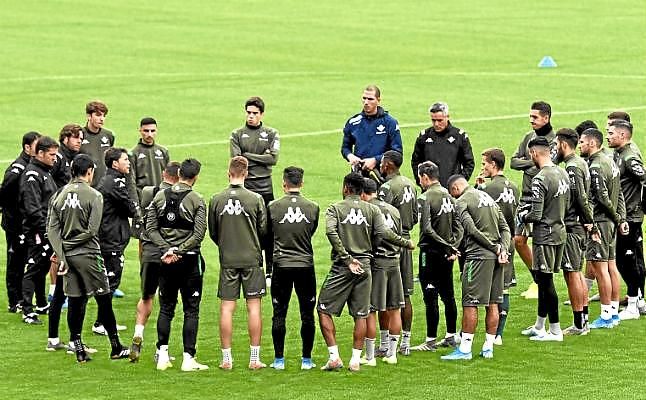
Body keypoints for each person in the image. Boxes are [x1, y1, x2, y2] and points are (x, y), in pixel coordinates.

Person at [317, 173, 414, 372]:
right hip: (366, 266)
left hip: (343, 266)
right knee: (361, 314)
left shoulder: (335, 208)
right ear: (362, 191)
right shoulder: (372, 209)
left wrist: (347, 258)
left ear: (346, 188)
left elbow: (330, 231)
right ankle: (355, 360)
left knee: (323, 309)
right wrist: (406, 243)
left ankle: (334, 357)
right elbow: (383, 233)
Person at [46, 154, 129, 362]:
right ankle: (116, 347)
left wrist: (62, 252)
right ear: (90, 171)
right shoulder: (94, 195)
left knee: (75, 300)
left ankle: (79, 349)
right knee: (104, 299)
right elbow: (92, 231)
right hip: (89, 255)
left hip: (68, 258)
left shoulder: (58, 195)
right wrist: (70, 244)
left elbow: (52, 230)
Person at [146, 158, 208, 372]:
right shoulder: (197, 200)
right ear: (195, 177)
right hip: (189, 261)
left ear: (179, 173)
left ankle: (162, 355)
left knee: (166, 308)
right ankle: (188, 358)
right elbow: (199, 234)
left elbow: (150, 228)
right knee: (191, 310)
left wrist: (167, 249)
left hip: (165, 261)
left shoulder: (159, 196)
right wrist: (179, 250)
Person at [208, 156, 268, 370]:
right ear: (246, 174)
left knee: (226, 308)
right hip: (251, 258)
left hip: (228, 259)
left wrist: (226, 245)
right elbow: (263, 230)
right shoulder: (256, 199)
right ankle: (254, 359)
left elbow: (213, 232)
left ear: (228, 173)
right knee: (254, 307)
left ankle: (226, 359)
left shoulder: (216, 199)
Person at [442, 175, 510, 360]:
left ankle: (465, 349)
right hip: (497, 258)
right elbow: (505, 228)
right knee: (493, 303)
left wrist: (494, 248)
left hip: (478, 257)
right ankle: (488, 348)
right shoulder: (488, 198)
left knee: (470, 302)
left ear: (455, 189)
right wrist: (502, 249)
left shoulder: (462, 201)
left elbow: (471, 229)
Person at [267, 166, 320, 370]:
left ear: (284, 184)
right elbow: (310, 230)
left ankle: (279, 360)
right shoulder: (313, 207)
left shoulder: (273, 207)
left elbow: (268, 233)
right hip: (305, 265)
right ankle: (306, 360)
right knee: (307, 314)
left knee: (279, 312)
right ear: (302, 183)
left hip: (281, 265)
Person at [518, 137, 570, 342]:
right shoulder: (562, 173)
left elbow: (537, 214)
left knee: (546, 281)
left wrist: (523, 216)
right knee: (542, 278)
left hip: (545, 236)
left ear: (533, 153)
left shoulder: (540, 178)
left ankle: (555, 330)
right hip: (559, 231)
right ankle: (540, 325)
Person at [128, 161, 180, 363]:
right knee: (166, 304)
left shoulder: (148, 192)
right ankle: (161, 350)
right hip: (167, 254)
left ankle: (138, 333)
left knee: (146, 296)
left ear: (163, 174)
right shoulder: (180, 197)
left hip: (148, 253)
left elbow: (142, 229)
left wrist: (143, 258)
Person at [411, 162, 462, 352]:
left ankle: (430, 340)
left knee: (430, 296)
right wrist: (453, 246)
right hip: (447, 255)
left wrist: (446, 246)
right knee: (448, 295)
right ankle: (450, 336)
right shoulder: (450, 196)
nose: (419, 181)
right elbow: (459, 226)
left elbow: (427, 229)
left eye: (420, 178)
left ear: (425, 177)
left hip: (430, 254)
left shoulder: (425, 197)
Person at [579, 128, 626, 329]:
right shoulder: (610, 161)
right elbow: (619, 192)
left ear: (592, 143)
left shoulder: (596, 166)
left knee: (601, 268)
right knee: (611, 266)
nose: (580, 145)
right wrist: (621, 218)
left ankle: (606, 316)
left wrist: (616, 217)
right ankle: (613, 312)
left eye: (582, 142)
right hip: (611, 223)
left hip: (600, 223)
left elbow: (603, 198)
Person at [230, 97, 280, 284]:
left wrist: (247, 155)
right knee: (247, 229)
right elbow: (237, 161)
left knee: (269, 229)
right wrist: (261, 157)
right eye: (248, 112)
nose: (251, 116)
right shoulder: (236, 134)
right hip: (246, 188)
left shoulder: (271, 133)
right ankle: (252, 266)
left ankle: (269, 270)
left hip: (265, 187)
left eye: (255, 113)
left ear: (262, 114)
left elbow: (273, 159)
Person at [510, 101, 556, 299]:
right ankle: (537, 278)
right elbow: (513, 162)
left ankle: (544, 282)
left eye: (535, 117)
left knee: (540, 242)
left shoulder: (554, 141)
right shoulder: (529, 137)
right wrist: (533, 161)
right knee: (518, 240)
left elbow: (548, 165)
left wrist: (529, 162)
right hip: (526, 196)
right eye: (530, 116)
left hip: (543, 198)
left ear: (546, 118)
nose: (531, 120)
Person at [553, 129, 596, 335]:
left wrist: (589, 221)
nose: (555, 149)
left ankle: (579, 324)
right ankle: (583, 321)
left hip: (572, 226)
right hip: (579, 225)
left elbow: (580, 197)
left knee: (572, 274)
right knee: (576, 273)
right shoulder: (581, 162)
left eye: (556, 145)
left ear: (563, 144)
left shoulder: (571, 167)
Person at [475, 148, 519, 345]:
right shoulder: (514, 187)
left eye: (484, 163)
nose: (482, 167)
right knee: (505, 287)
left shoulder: (487, 189)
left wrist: (478, 188)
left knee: (491, 290)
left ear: (493, 164)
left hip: (491, 244)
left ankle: (486, 333)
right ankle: (499, 334)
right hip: (509, 241)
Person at [377, 150, 418, 355]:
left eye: (382, 163)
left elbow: (382, 216)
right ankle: (406, 343)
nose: (380, 166)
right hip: (407, 241)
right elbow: (415, 216)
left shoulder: (386, 188)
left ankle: (385, 344)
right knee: (406, 293)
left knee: (385, 294)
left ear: (388, 165)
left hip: (391, 244)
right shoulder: (410, 183)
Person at [93, 147, 138, 335]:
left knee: (109, 280)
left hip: (110, 236)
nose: (128, 163)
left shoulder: (110, 180)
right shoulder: (114, 183)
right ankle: (101, 323)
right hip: (110, 239)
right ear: (114, 164)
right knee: (110, 281)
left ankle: (102, 321)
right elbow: (131, 209)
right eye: (125, 160)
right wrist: (136, 208)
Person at [360, 179, 405, 366]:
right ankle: (392, 355)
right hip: (394, 263)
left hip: (377, 264)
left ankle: (370, 357)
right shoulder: (394, 210)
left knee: (371, 310)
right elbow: (399, 236)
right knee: (395, 309)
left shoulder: (368, 210)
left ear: (363, 193)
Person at [607, 120, 646, 319]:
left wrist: (641, 206)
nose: (607, 136)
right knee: (624, 260)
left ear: (622, 135)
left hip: (630, 217)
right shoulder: (618, 153)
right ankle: (638, 301)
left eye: (611, 133)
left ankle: (633, 305)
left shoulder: (629, 157)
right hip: (624, 215)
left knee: (628, 261)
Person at [19, 136, 59, 325]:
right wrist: (46, 231)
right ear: (40, 153)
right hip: (37, 230)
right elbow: (33, 208)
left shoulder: (44, 171)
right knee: (34, 266)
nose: (55, 158)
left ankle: (41, 304)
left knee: (42, 266)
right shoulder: (32, 175)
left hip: (45, 228)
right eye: (52, 155)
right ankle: (27, 310)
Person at [0, 131, 40, 313]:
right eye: (37, 146)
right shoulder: (17, 170)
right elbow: (3, 194)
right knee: (15, 263)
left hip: (25, 224)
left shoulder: (31, 166)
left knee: (26, 260)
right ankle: (14, 301)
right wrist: (12, 216)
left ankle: (23, 299)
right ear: (27, 147)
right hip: (15, 225)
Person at [341, 85, 403, 181]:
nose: (366, 102)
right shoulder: (353, 122)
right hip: (359, 176)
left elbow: (397, 152)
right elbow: (345, 148)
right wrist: (351, 157)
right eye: (364, 98)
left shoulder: (390, 123)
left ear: (378, 100)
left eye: (370, 99)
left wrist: (375, 160)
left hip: (382, 177)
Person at [410, 102, 475, 187]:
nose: (436, 124)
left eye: (440, 120)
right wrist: (421, 181)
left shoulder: (459, 136)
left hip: (452, 190)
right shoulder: (424, 136)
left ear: (447, 117)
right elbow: (416, 162)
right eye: (433, 120)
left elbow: (469, 163)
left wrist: (459, 183)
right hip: (430, 189)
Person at [129, 117, 170, 199]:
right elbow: (131, 181)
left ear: (156, 131)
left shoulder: (163, 151)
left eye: (152, 131)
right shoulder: (133, 154)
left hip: (161, 197)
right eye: (146, 131)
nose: (149, 134)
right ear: (140, 131)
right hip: (143, 199)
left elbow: (169, 177)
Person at [80, 100, 115, 187]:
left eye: (104, 116)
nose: (102, 119)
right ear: (89, 116)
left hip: (105, 187)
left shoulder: (108, 135)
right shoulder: (80, 135)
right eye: (98, 115)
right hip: (87, 186)